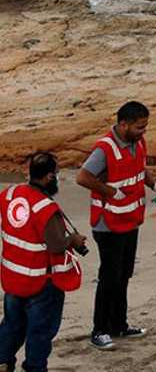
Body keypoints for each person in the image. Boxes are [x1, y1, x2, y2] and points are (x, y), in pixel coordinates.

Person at [76, 101, 156, 350]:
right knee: (109, 277)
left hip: (130, 219)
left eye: (145, 127)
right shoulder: (105, 148)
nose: (144, 132)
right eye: (140, 127)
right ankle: (100, 330)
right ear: (123, 124)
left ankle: (119, 324)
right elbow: (83, 177)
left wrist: (155, 185)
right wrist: (110, 190)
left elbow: (140, 169)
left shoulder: (137, 142)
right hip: (107, 223)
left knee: (124, 274)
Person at [0, 152, 86, 372]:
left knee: (11, 325)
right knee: (40, 330)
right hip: (40, 281)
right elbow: (57, 244)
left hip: (13, 277)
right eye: (56, 174)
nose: (57, 178)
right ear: (49, 177)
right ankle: (35, 368)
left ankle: (3, 361)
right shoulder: (45, 208)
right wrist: (74, 240)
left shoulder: (9, 194)